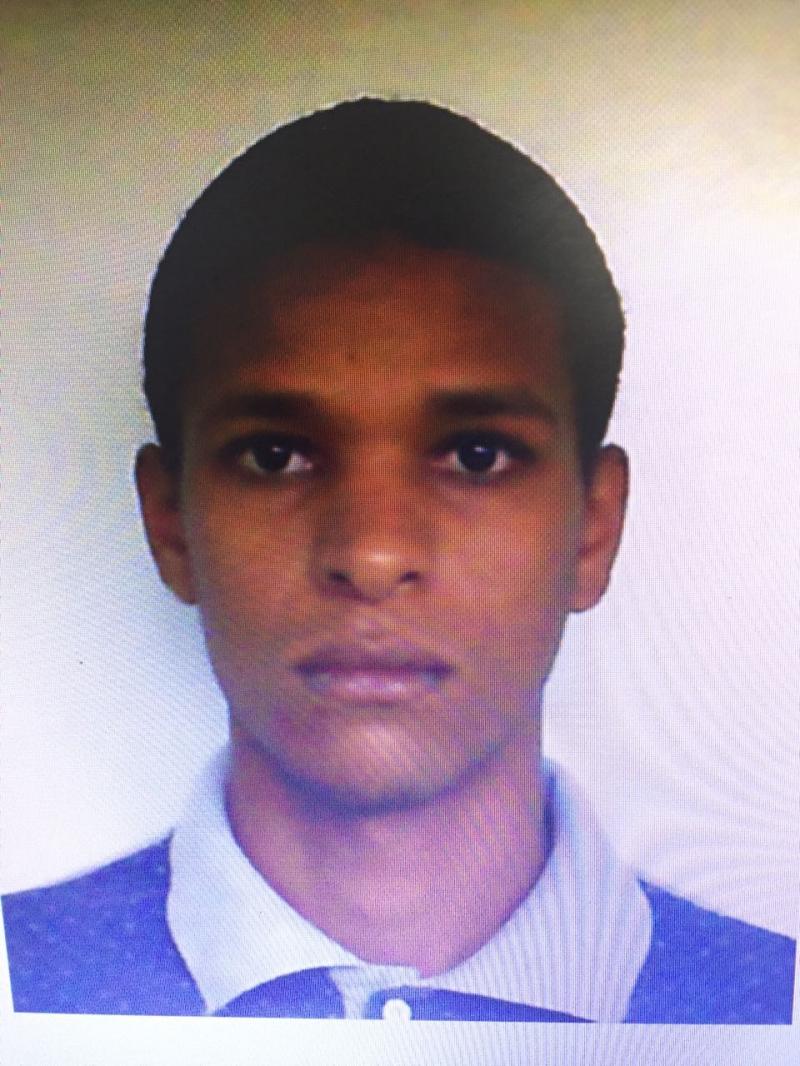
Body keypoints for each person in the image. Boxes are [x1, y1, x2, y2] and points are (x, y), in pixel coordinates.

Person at [3, 98, 795, 1023]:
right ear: (169, 522)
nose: (372, 555)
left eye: (477, 455)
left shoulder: (776, 1007)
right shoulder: (23, 982)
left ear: (593, 526)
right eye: (275, 455)